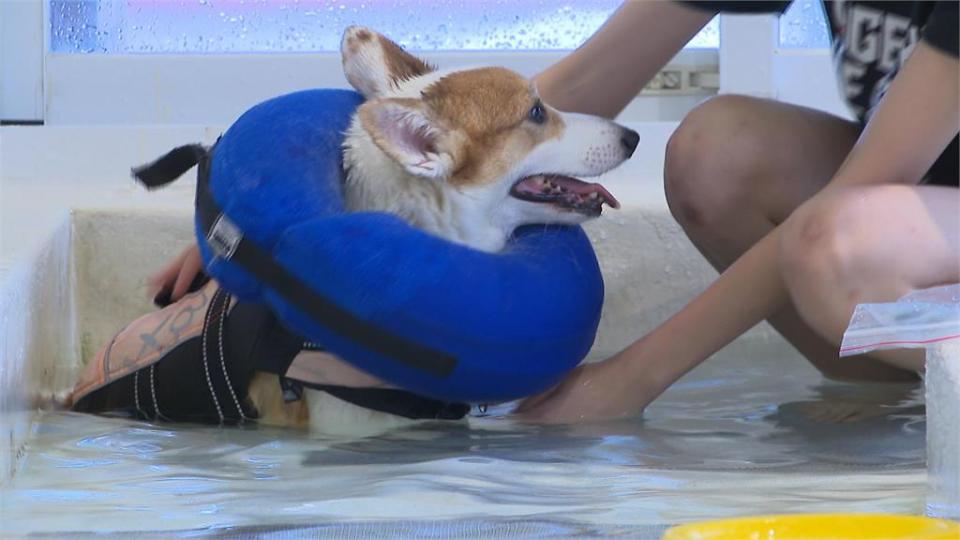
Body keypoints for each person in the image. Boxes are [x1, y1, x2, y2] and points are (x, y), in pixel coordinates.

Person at [151, 1, 959, 424]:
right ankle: (890, 404)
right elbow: (545, 108)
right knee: (715, 153)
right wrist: (260, 237)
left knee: (836, 247)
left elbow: (858, 196)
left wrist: (629, 381)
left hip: (901, 217)